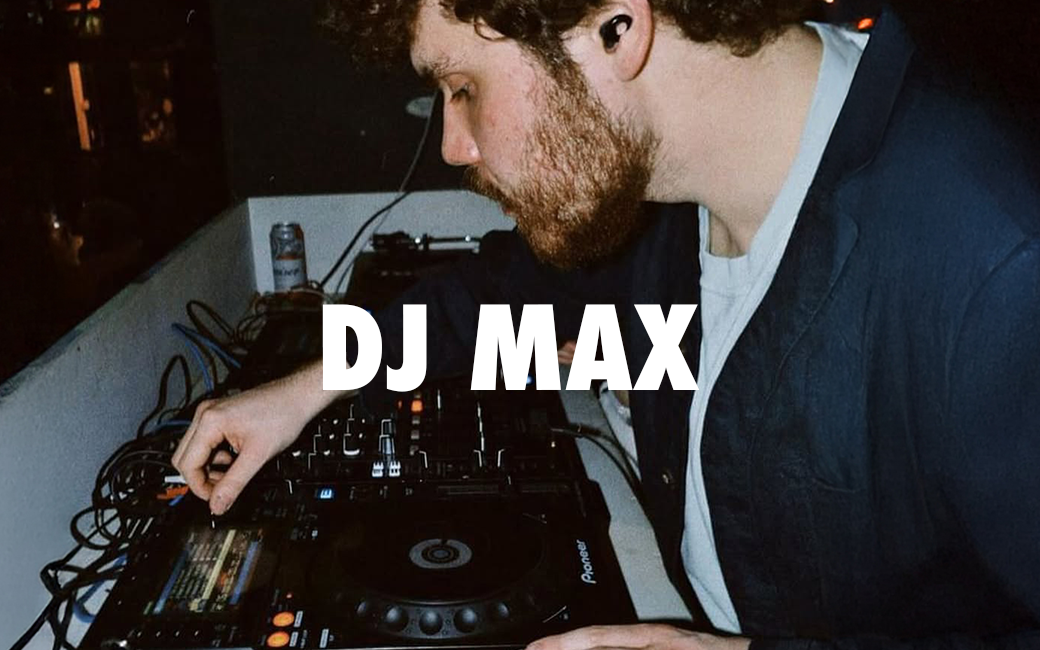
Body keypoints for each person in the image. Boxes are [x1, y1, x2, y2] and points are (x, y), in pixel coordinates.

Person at [173, 0, 1040, 646]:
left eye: (463, 88)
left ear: (618, 28)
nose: (454, 146)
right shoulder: (658, 206)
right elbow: (490, 303)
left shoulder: (994, 264)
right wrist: (303, 390)